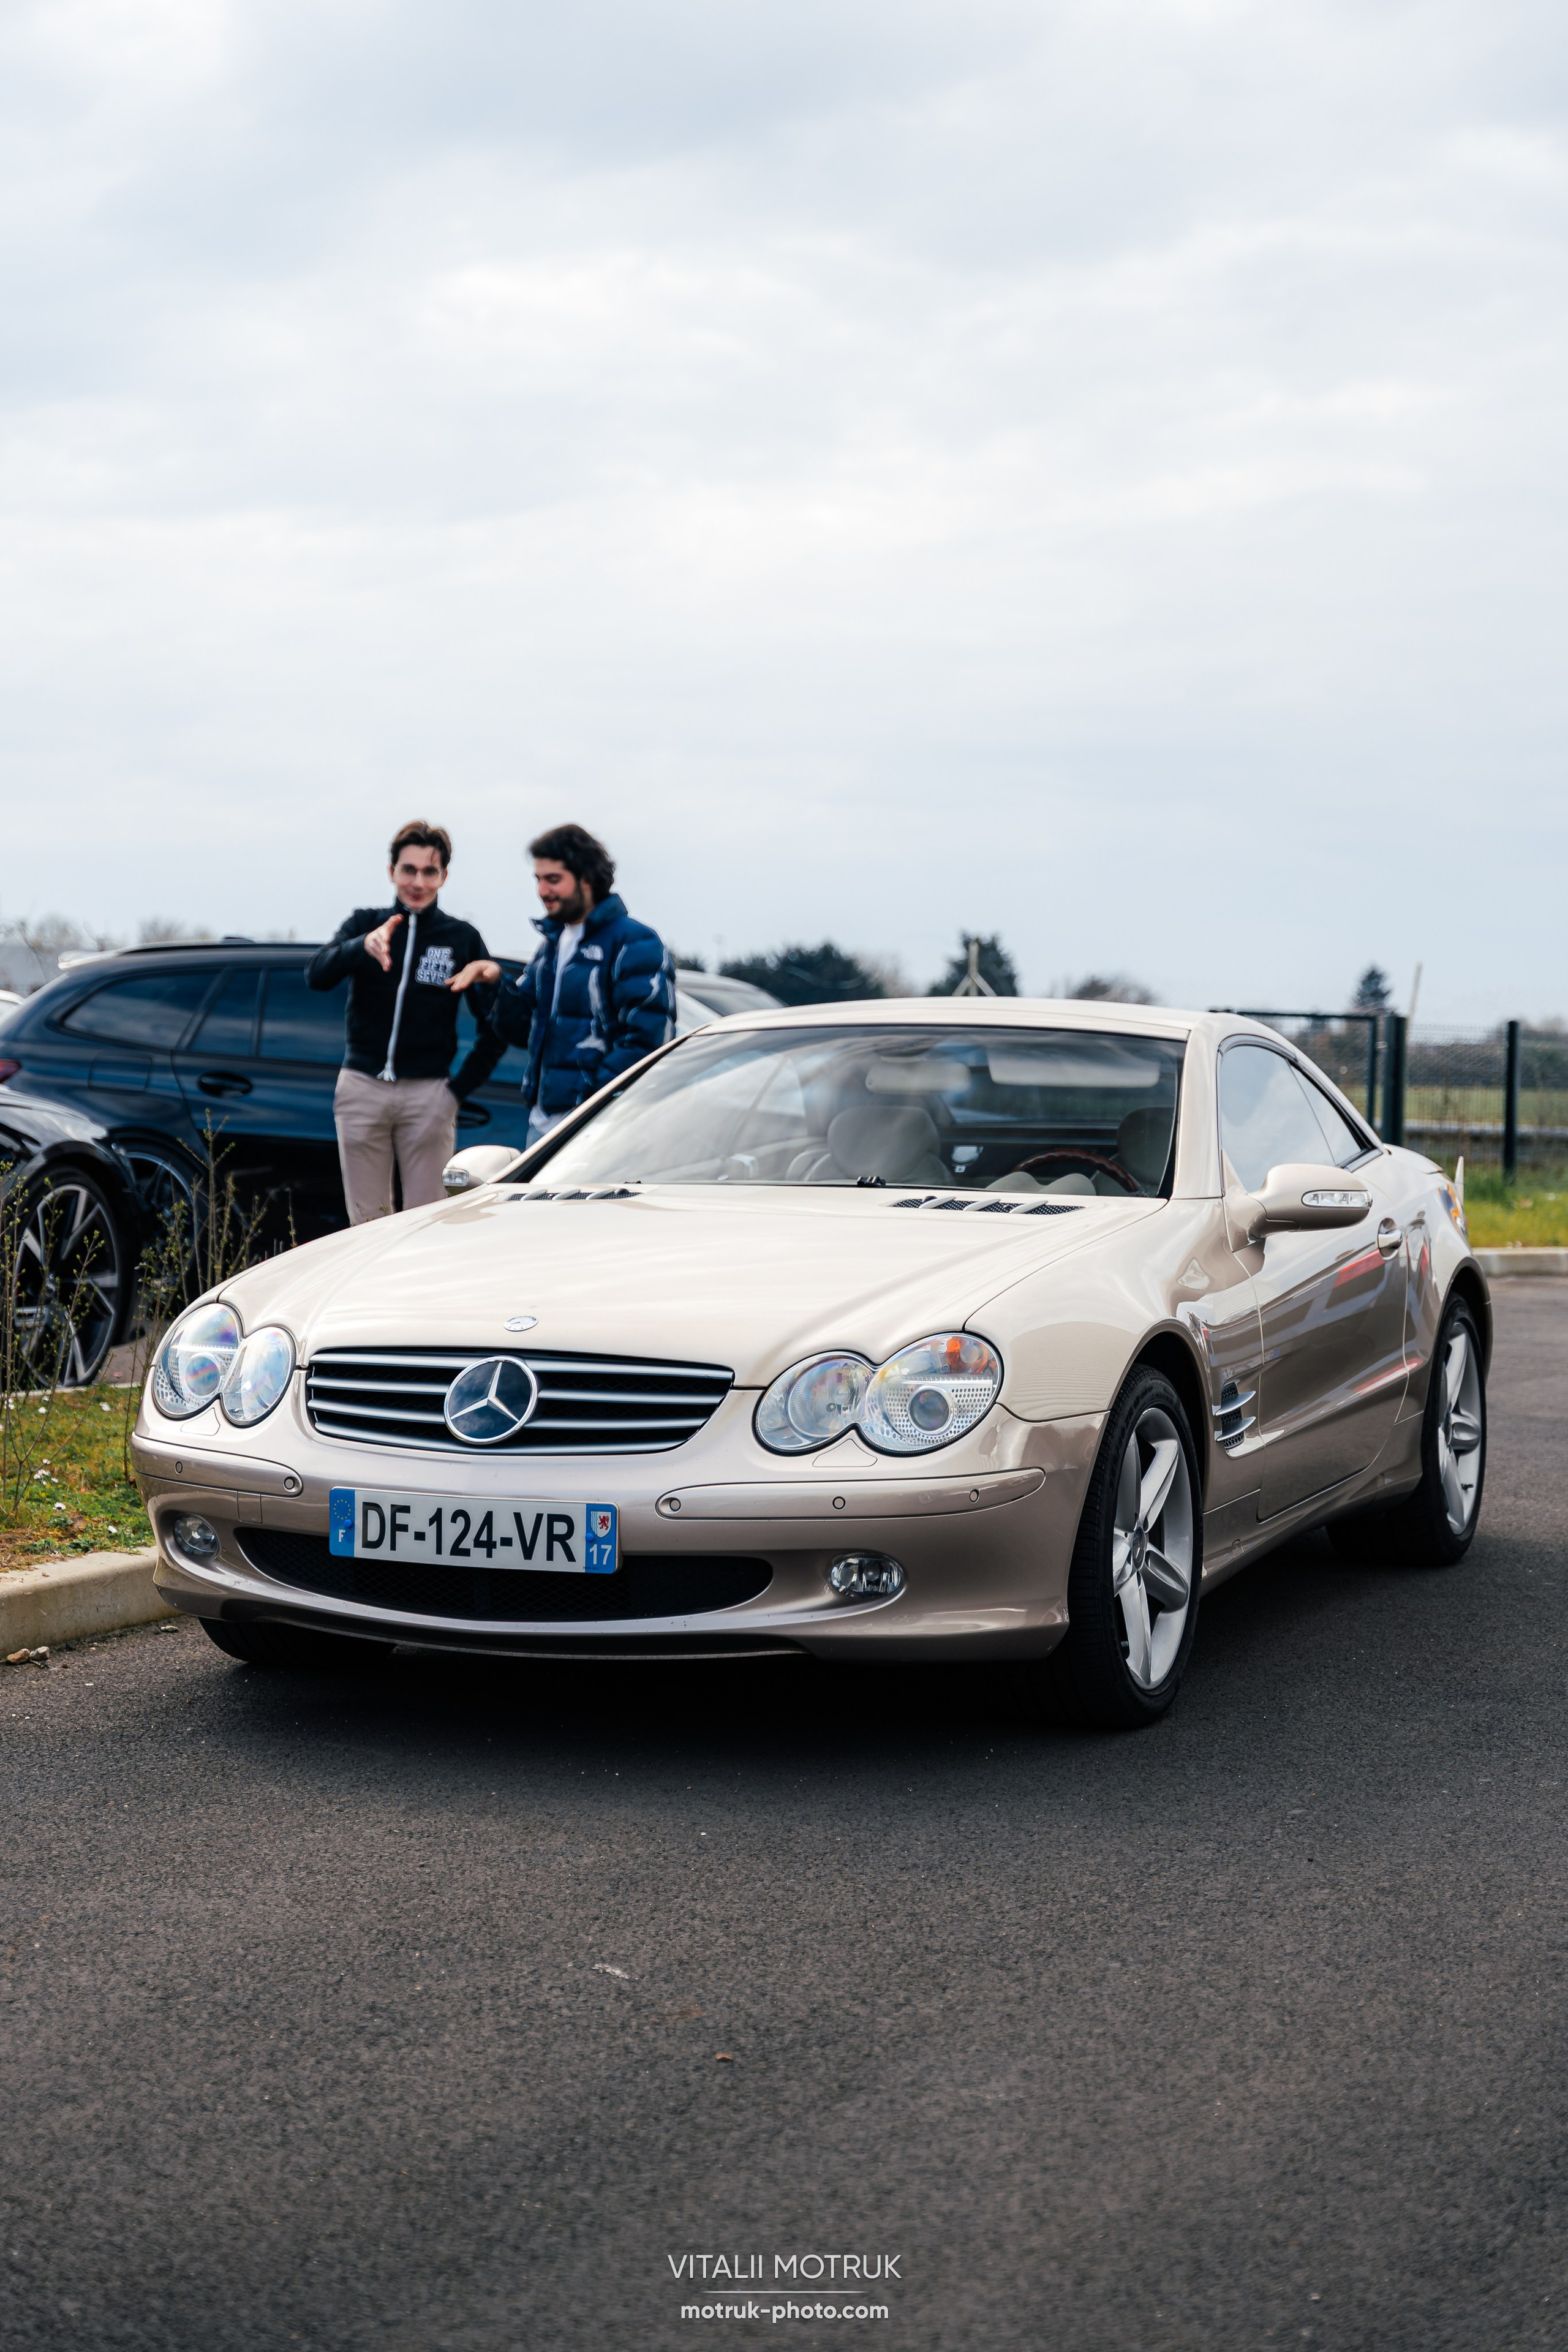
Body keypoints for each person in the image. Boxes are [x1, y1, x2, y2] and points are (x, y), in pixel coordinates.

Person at [306, 820, 505, 1222]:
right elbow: (317, 975)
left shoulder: (461, 937)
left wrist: (455, 1091)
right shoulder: (365, 924)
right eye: (408, 870)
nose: (418, 881)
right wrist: (359, 946)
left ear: (444, 876)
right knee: (366, 1222)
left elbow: (497, 1026)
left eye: (429, 871)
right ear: (391, 872)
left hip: (429, 1095)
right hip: (362, 1088)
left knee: (427, 1223)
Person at [451, 823, 673, 1141]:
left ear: (586, 878)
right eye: (538, 879)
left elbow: (648, 1043)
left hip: (603, 1131)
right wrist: (496, 981)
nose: (543, 890)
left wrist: (588, 1102)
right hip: (541, 1126)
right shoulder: (552, 945)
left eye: (553, 879)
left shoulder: (636, 943)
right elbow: (523, 1029)